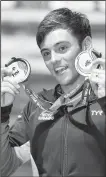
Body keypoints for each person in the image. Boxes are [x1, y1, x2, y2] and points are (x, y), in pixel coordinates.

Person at [1, 8, 105, 176]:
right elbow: (3, 167)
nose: (54, 59)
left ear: (85, 45)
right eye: (46, 53)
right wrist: (2, 113)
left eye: (62, 48)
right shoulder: (36, 107)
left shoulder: (102, 99)